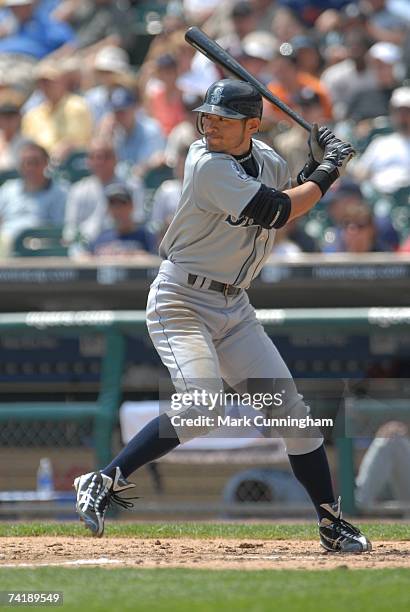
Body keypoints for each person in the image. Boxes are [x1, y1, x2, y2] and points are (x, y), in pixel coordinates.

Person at [73, 78, 371, 554]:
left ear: (252, 125)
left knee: (293, 416)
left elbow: (292, 199)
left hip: (234, 304)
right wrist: (330, 169)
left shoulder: (270, 160)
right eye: (206, 116)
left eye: (222, 119)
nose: (209, 124)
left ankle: (331, 522)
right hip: (181, 299)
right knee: (203, 405)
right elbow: (274, 211)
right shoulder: (205, 162)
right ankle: (104, 480)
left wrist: (315, 164)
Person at [62, 138, 145, 253]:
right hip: (86, 247)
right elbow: (71, 228)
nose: (100, 161)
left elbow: (137, 219)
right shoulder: (78, 189)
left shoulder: (132, 186)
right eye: (94, 157)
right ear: (88, 161)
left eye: (106, 156)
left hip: (122, 244)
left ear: (116, 159)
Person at [0, 140, 67, 256]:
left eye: (35, 162)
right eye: (25, 163)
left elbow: (61, 229)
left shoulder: (61, 191)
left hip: (43, 250)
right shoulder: (7, 189)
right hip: (7, 249)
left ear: (46, 163)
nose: (30, 167)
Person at [87, 183, 153, 256]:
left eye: (122, 203)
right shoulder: (101, 237)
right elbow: (85, 258)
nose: (117, 209)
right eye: (112, 204)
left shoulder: (145, 236)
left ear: (132, 206)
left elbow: (157, 260)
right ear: (108, 209)